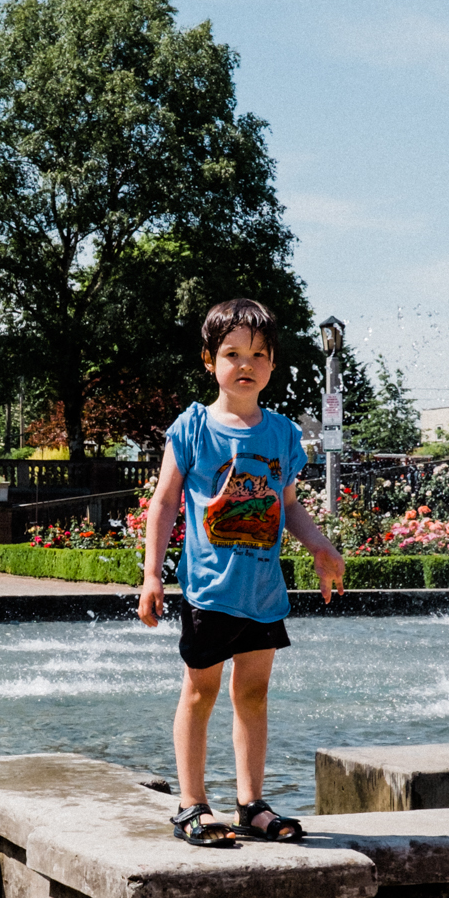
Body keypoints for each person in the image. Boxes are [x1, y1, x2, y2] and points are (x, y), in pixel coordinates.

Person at [137, 298, 345, 847]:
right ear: (210, 360)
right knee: (199, 693)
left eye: (258, 354)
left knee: (252, 696)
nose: (245, 364)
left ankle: (252, 803)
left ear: (273, 364)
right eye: (232, 353)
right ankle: (191, 804)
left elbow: (291, 503)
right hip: (209, 589)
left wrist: (320, 547)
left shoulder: (280, 434)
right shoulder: (194, 427)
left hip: (263, 592)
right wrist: (152, 574)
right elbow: (163, 503)